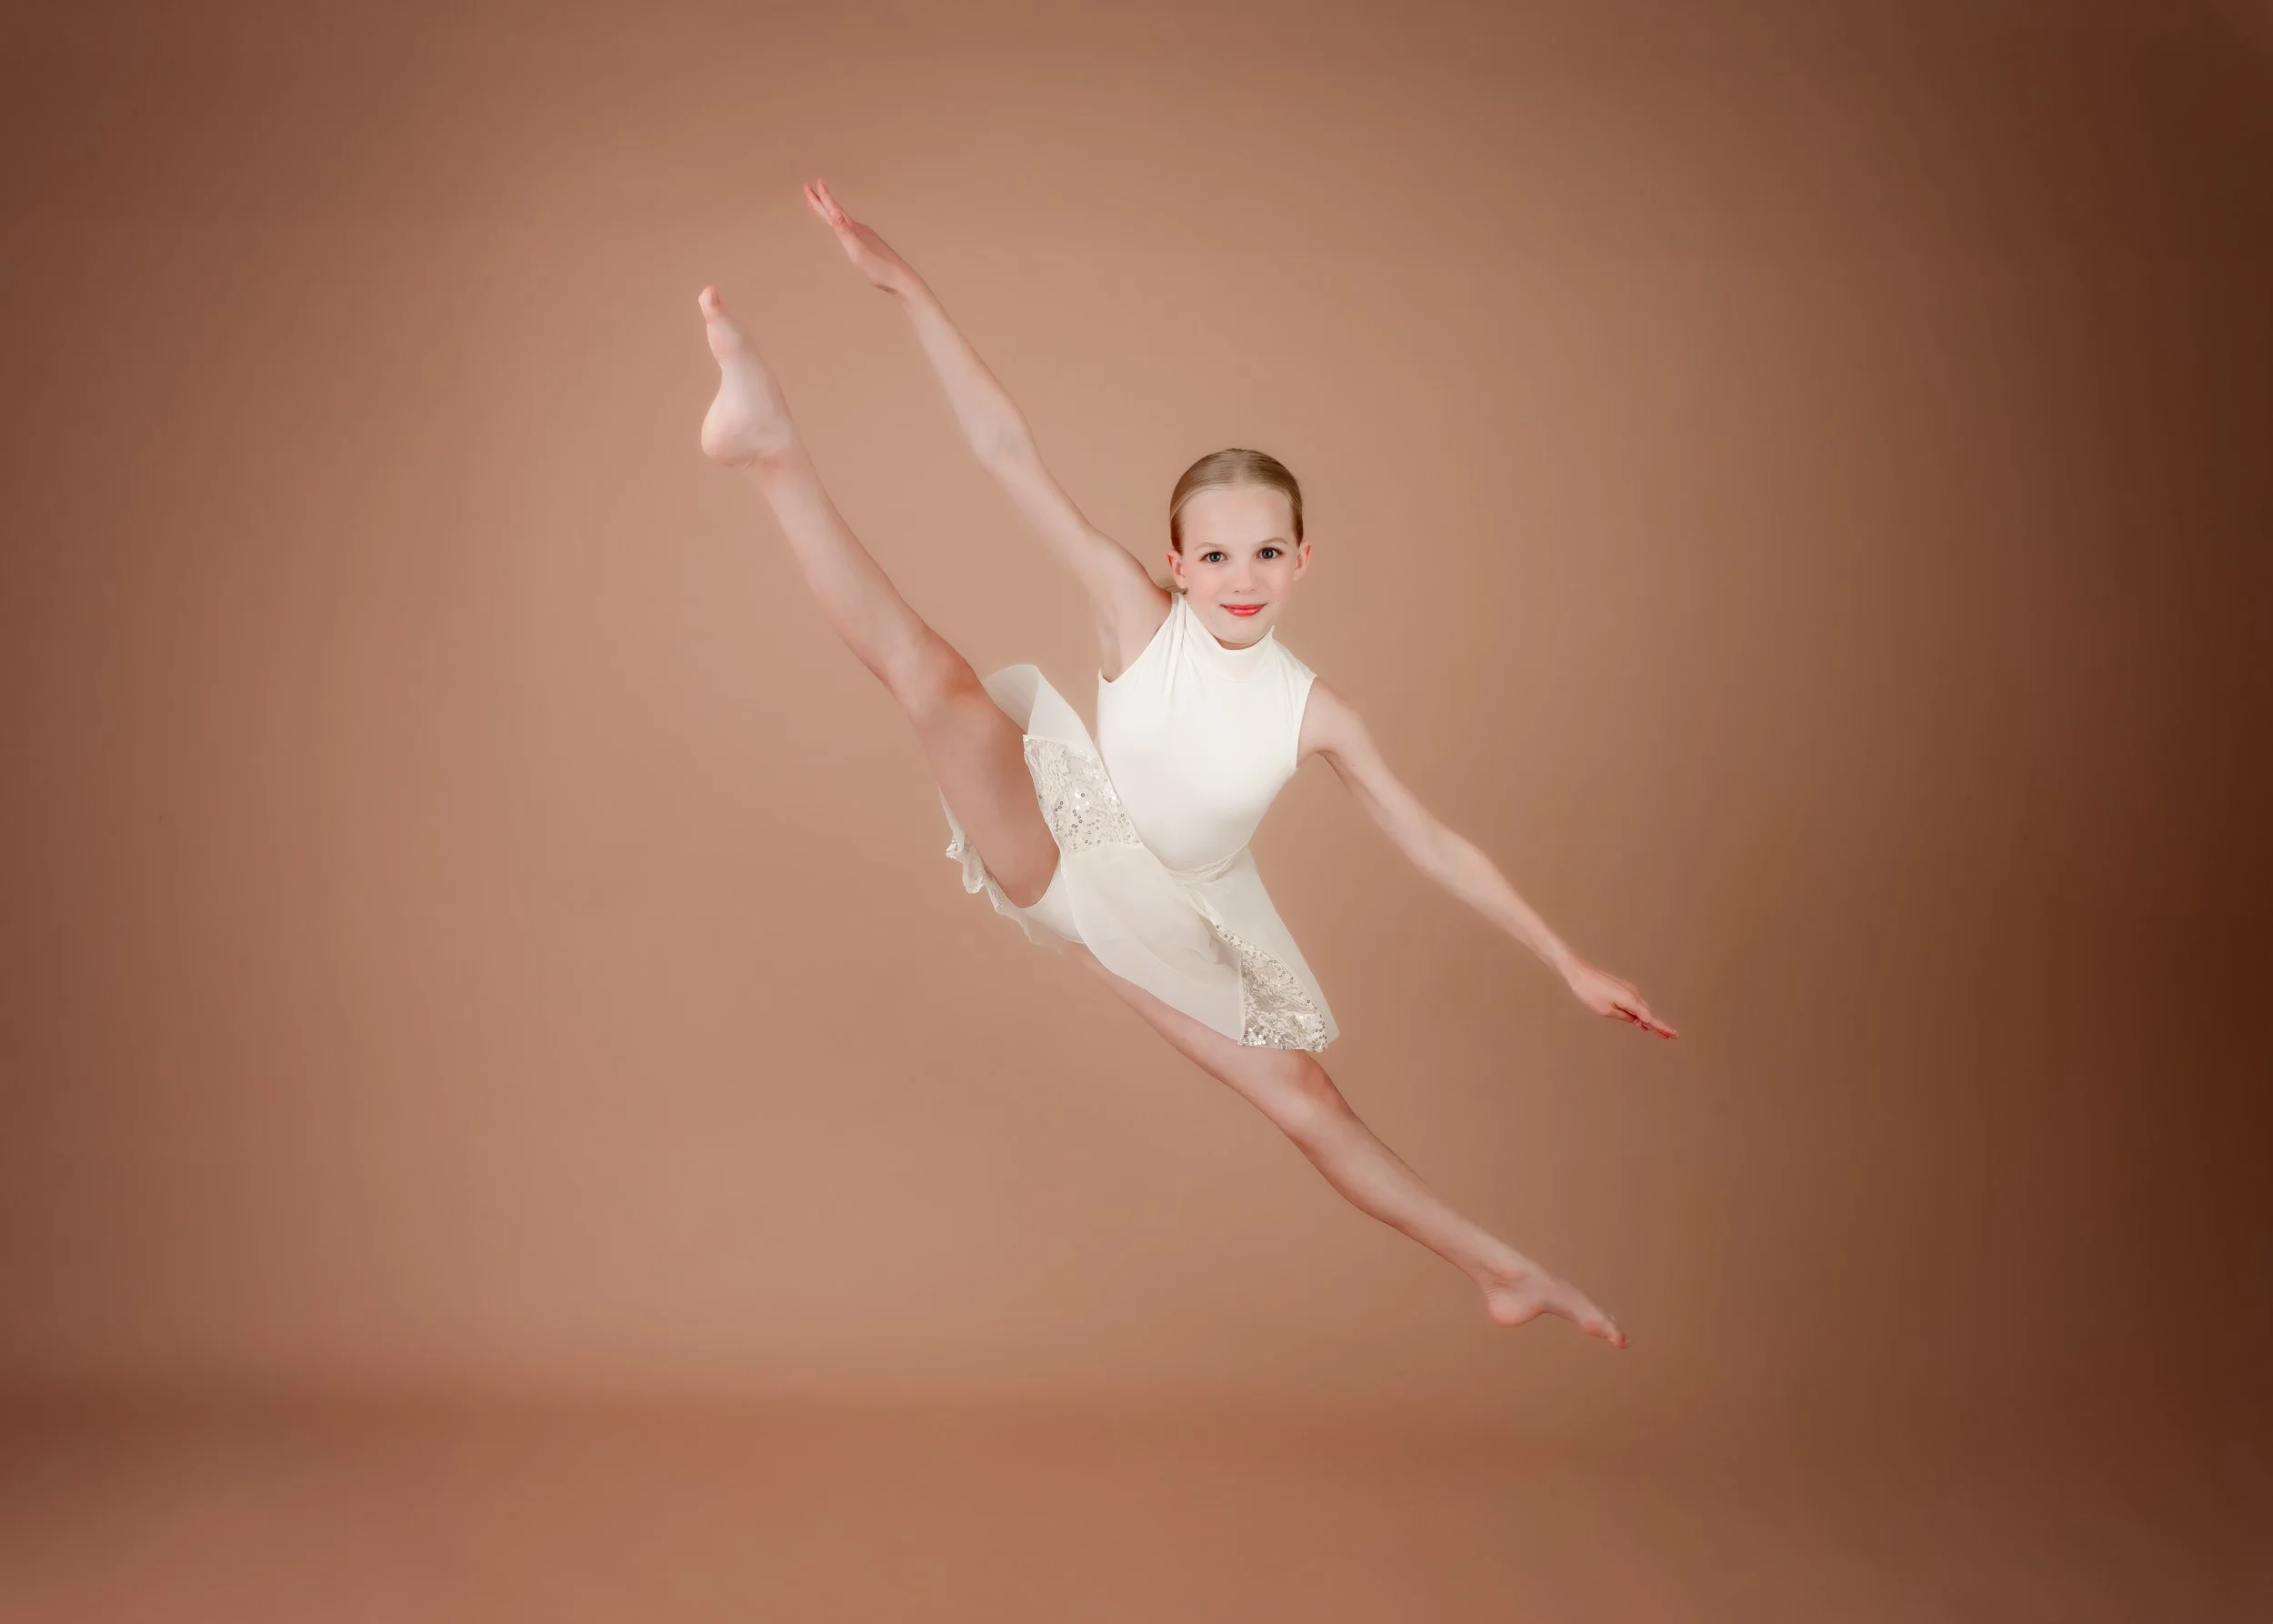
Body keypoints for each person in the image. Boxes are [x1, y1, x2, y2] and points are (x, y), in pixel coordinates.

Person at [694, 177, 1678, 1348]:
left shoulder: (1316, 715)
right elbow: (1004, 452)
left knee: (1312, 1106)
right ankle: (769, 452)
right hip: (1068, 843)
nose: (1242, 577)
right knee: (933, 679)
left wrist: (1564, 959)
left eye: (1266, 551)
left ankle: (1504, 1273)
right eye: (1215, 555)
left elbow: (1433, 843)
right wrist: (908, 290)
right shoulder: (1135, 611)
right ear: (1177, 560)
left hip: (1186, 928)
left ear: (1303, 559)